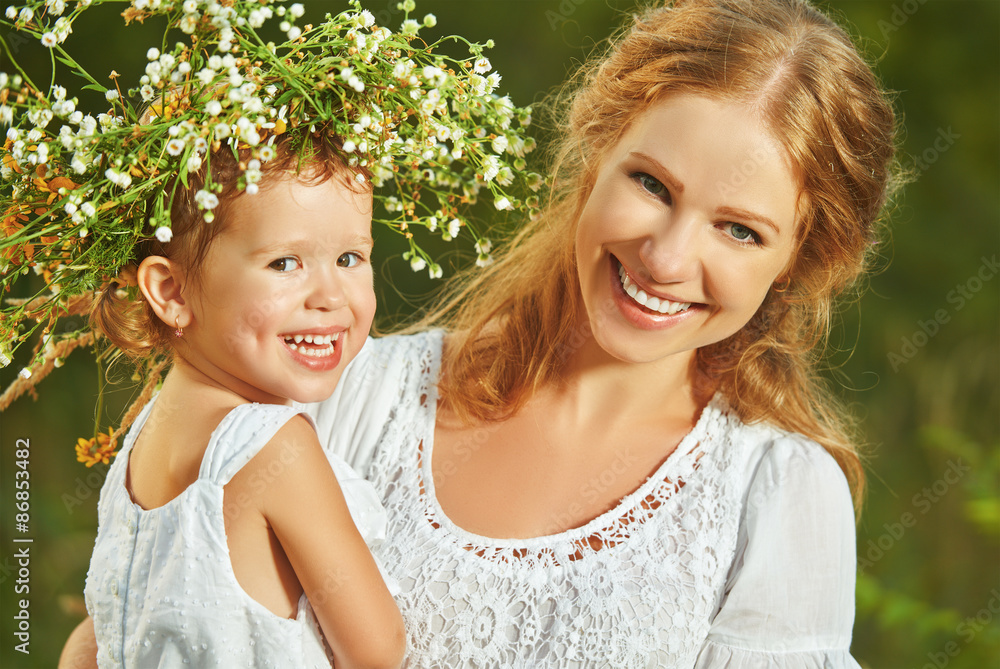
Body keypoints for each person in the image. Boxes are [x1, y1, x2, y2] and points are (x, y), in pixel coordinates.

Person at [60, 0, 898, 666]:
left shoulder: (776, 497)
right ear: (594, 153)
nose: (669, 256)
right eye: (651, 183)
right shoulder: (351, 392)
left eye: (740, 230)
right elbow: (127, 627)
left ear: (799, 258)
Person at [83, 132, 407, 668]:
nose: (329, 296)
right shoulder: (273, 446)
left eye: (350, 257)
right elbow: (378, 650)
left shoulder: (141, 443)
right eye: (285, 264)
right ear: (172, 292)